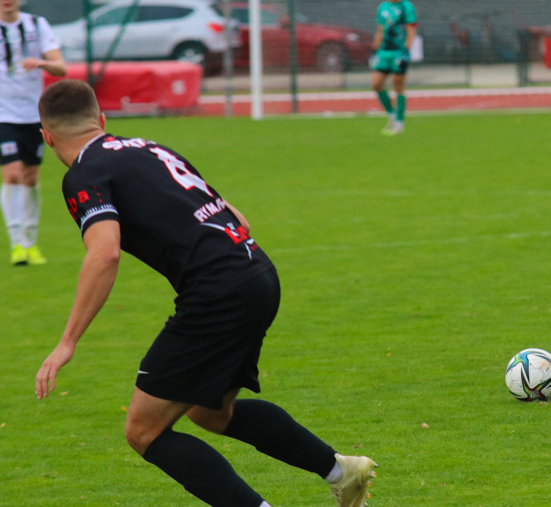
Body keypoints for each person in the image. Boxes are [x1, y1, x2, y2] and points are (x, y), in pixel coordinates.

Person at [34, 79, 377, 506]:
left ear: (46, 136)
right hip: (257, 273)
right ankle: (341, 471)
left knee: (144, 432)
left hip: (218, 293)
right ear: (102, 120)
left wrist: (67, 343)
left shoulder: (84, 175)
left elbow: (104, 255)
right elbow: (238, 218)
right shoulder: (147, 147)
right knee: (211, 412)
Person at [0, 0, 66, 266]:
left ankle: (31, 241)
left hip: (32, 115)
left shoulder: (37, 26)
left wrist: (40, 61)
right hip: (3, 115)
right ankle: (16, 244)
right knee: (12, 174)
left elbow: (60, 68)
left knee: (30, 178)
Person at [371, 0, 417, 136]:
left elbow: (411, 29)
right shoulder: (382, 7)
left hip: (399, 51)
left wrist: (407, 49)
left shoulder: (406, 6)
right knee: (376, 84)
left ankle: (399, 123)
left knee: (398, 85)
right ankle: (391, 115)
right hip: (384, 51)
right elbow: (380, 29)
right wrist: (374, 49)